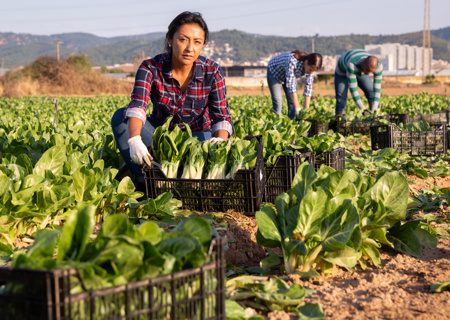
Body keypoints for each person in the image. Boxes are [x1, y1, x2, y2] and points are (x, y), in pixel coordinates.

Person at [111, 11, 233, 193]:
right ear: (170, 39)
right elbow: (137, 106)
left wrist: (220, 143)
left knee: (210, 144)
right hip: (161, 137)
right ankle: (146, 182)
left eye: (197, 42)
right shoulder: (150, 68)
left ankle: (188, 181)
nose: (190, 48)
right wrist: (135, 139)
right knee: (121, 117)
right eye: (183, 39)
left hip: (199, 138)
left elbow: (221, 116)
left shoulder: (212, 71)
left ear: (202, 45)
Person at [266, 50, 323, 119]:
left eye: (314, 71)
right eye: (311, 69)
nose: (312, 72)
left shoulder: (310, 70)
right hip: (274, 72)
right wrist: (298, 109)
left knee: (292, 103)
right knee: (278, 102)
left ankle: (291, 124)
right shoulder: (292, 61)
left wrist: (306, 110)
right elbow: (291, 86)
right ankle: (276, 124)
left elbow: (308, 88)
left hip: (288, 75)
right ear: (306, 62)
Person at [334, 49, 383, 117]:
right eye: (367, 70)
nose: (368, 73)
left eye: (371, 72)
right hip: (342, 71)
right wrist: (363, 110)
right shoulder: (353, 64)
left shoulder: (378, 67)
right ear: (363, 63)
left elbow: (377, 91)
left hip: (360, 70)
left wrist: (374, 111)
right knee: (341, 98)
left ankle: (376, 117)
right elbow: (354, 90)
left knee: (371, 91)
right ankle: (339, 121)